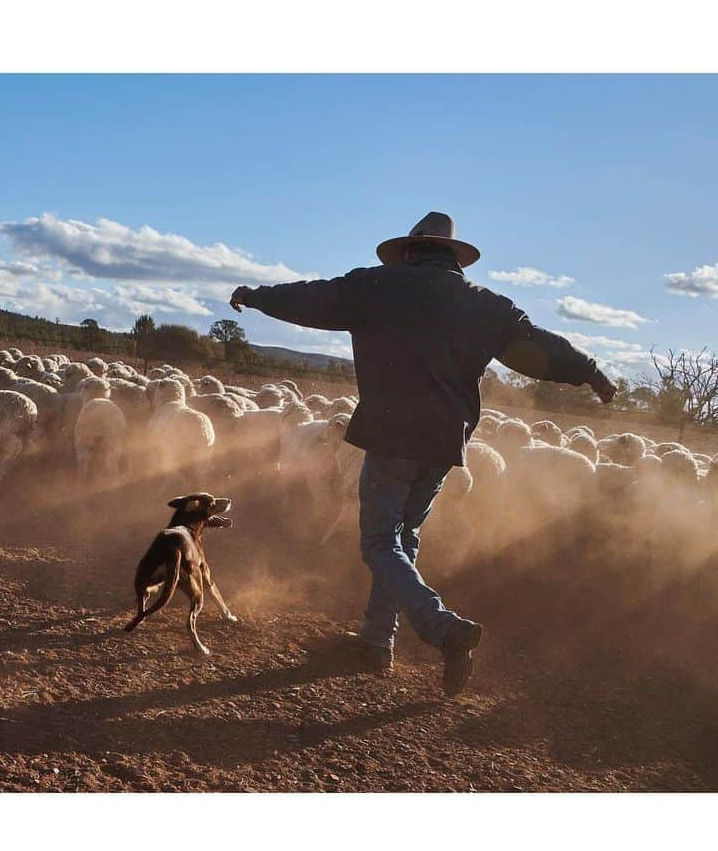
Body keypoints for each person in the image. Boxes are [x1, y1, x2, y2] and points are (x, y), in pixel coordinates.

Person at [229, 211, 616, 695]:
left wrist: (255, 296)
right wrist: (591, 372)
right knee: (403, 537)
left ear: (410, 250)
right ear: (453, 257)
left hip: (392, 433)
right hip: (444, 442)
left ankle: (443, 627)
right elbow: (539, 348)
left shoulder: (377, 287)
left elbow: (313, 299)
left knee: (377, 542)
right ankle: (376, 642)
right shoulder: (485, 305)